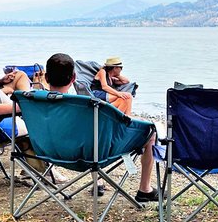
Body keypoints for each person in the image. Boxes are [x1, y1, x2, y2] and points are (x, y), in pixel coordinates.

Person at [46, 53, 159, 202]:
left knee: (91, 136)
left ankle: (98, 180)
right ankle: (145, 189)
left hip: (49, 152)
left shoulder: (30, 102)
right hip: (87, 155)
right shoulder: (81, 105)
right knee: (151, 132)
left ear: (46, 78)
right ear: (74, 79)